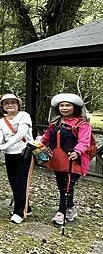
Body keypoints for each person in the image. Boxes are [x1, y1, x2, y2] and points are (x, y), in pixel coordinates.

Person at [39, 93, 93, 225]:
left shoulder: (82, 124)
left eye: (68, 105)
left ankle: (61, 212)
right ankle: (71, 208)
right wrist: (38, 144)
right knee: (62, 185)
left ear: (74, 107)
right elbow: (46, 137)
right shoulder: (56, 122)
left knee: (67, 186)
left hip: (73, 160)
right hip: (58, 161)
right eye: (62, 105)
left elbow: (84, 141)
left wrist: (77, 151)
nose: (64, 108)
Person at [0, 93, 34, 224]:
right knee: (13, 182)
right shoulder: (1, 121)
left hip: (24, 153)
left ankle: (19, 212)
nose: (9, 105)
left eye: (13, 102)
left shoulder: (24, 116)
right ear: (2, 106)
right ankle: (26, 207)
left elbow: (21, 133)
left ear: (18, 104)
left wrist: (4, 145)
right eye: (6, 103)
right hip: (10, 154)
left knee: (21, 182)